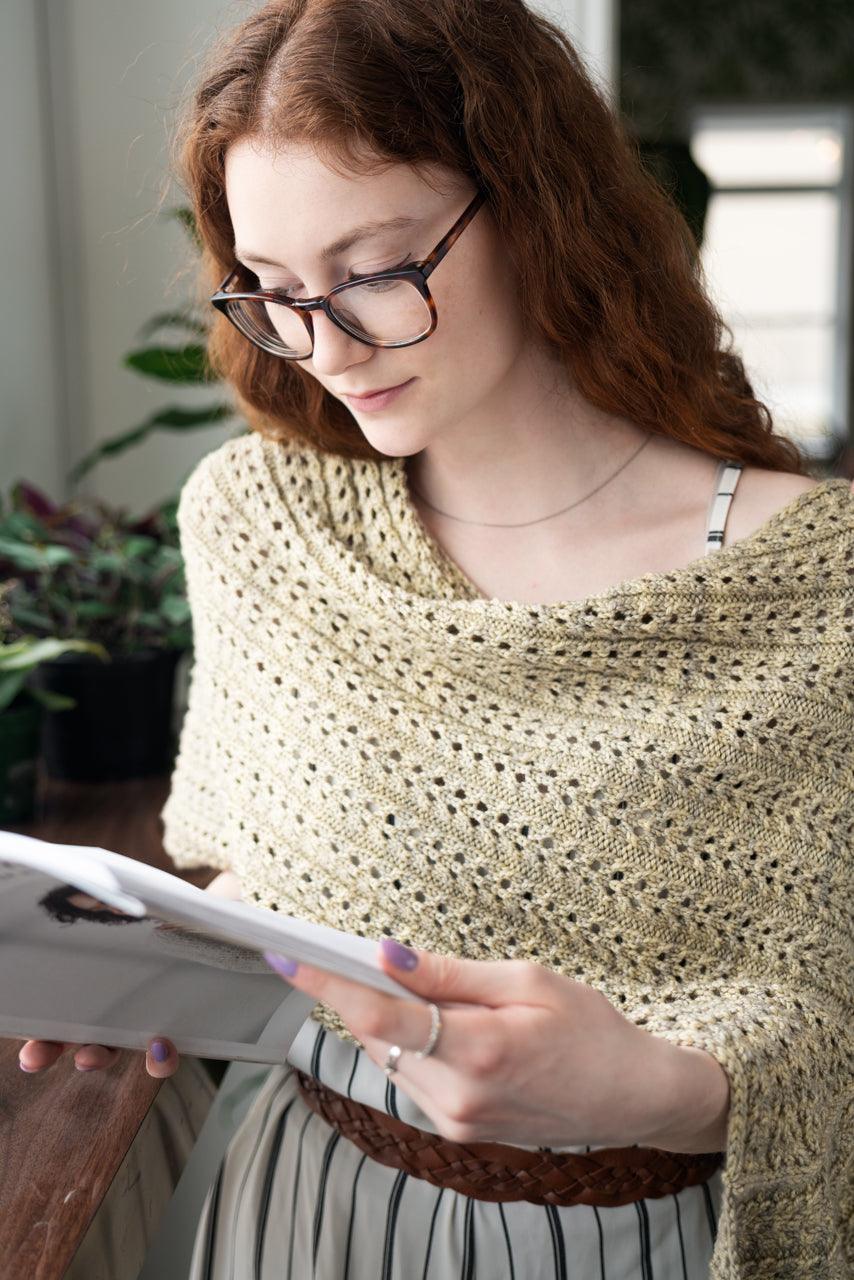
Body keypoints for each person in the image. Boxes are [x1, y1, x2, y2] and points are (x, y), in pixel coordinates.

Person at [19, 1, 853, 1277]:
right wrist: (125, 976)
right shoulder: (260, 523)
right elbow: (261, 878)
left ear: (535, 204)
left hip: (660, 1243)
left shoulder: (821, 591)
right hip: (304, 1212)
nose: (325, 343)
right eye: (278, 292)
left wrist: (670, 1091)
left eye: (374, 268)